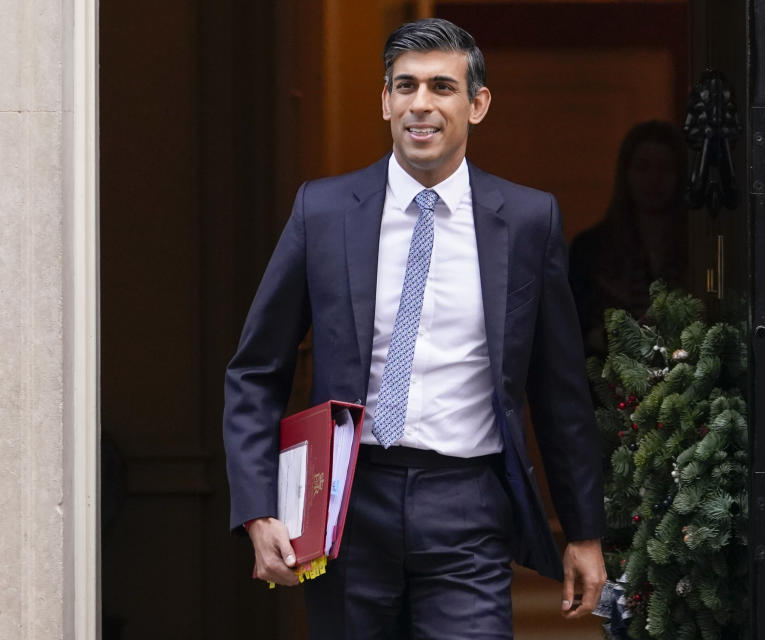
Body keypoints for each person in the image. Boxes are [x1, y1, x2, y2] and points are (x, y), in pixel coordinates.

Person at [223, 18, 606, 639]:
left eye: (441, 87)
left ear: (477, 104)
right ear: (384, 101)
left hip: (469, 507)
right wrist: (259, 507)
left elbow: (559, 390)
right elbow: (255, 371)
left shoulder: (529, 220)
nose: (420, 104)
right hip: (346, 506)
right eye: (405, 86)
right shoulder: (321, 212)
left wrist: (584, 531)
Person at [569, 121, 688, 352]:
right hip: (608, 378)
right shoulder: (590, 248)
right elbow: (575, 330)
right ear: (626, 172)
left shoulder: (697, 246)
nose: (654, 180)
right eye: (643, 167)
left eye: (665, 168)